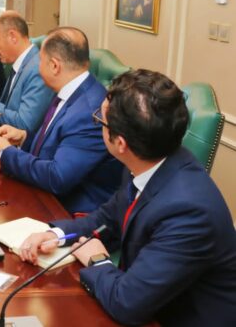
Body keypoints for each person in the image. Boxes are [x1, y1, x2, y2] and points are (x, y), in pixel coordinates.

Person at [19, 69, 236, 326]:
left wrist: (97, 261)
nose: (97, 122)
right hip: (151, 303)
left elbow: (127, 303)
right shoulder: (148, 160)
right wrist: (57, 235)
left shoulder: (189, 212)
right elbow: (108, 218)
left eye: (100, 119)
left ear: (120, 144)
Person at [0, 27, 122, 214]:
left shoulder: (89, 112)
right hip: (44, 194)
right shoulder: (70, 90)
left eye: (40, 61)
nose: (37, 67)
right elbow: (57, 140)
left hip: (68, 211)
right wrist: (24, 138)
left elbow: (58, 178)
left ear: (55, 66)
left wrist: (5, 153)